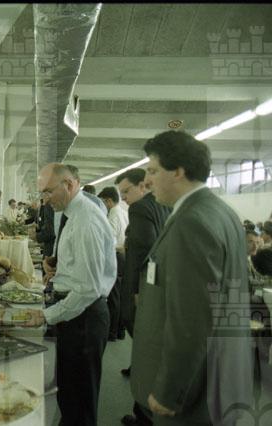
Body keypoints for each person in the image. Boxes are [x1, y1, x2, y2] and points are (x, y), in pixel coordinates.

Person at [131, 130, 252, 425]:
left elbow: (191, 319)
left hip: (192, 390)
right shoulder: (221, 212)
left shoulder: (191, 222)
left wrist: (169, 392)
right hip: (217, 373)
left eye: (153, 171)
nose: (147, 181)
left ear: (178, 171)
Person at [25, 163, 116, 426]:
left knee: (80, 401)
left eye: (48, 191)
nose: (44, 199)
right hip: (75, 312)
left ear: (69, 184)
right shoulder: (72, 213)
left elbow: (88, 288)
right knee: (69, 394)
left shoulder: (86, 220)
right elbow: (82, 264)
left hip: (84, 317)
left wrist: (47, 315)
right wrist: (58, 265)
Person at [114, 167, 171, 426]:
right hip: (158, 284)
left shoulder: (139, 209)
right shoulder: (163, 206)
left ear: (142, 186)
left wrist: (137, 291)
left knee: (144, 346)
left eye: (126, 192)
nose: (124, 198)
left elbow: (142, 248)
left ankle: (142, 415)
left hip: (141, 284)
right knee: (152, 350)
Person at [97, 186, 129, 343]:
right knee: (120, 295)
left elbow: (109, 240)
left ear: (108, 201)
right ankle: (120, 330)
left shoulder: (113, 215)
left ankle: (112, 332)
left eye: (103, 202)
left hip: (116, 256)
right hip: (123, 256)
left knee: (113, 296)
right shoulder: (123, 212)